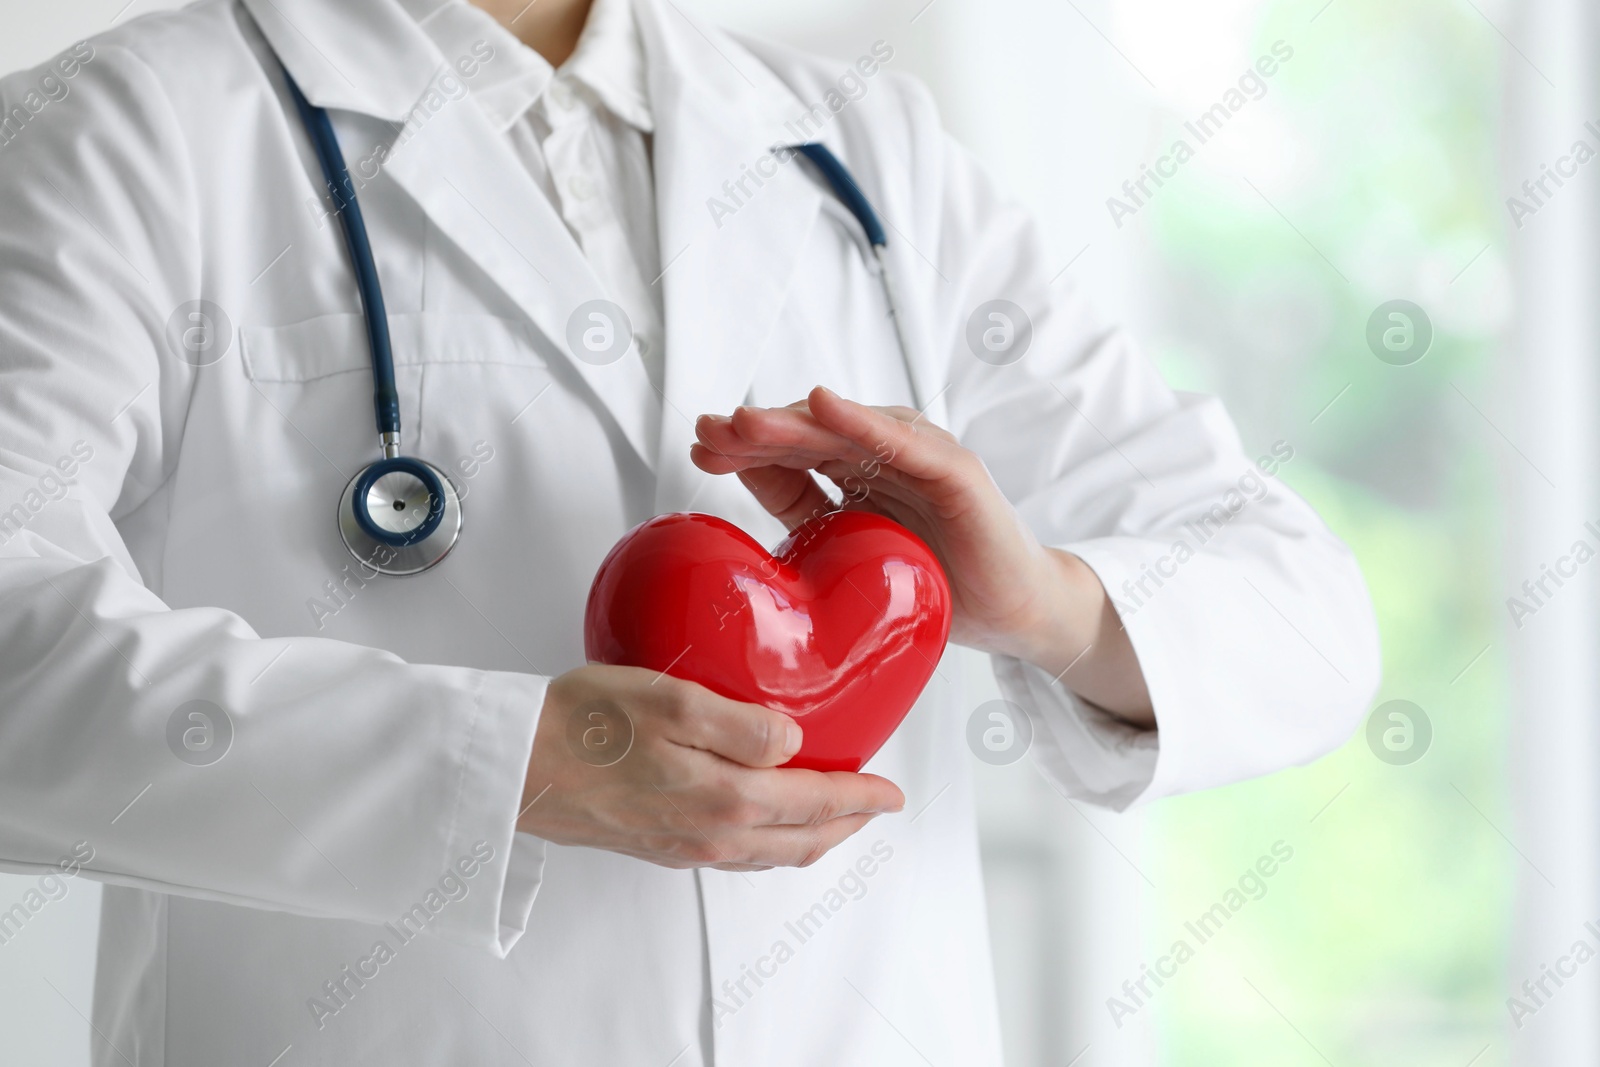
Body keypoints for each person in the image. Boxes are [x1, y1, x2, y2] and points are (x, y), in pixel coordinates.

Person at [0, 0, 1380, 1063]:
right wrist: (498, 768)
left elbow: (1303, 611)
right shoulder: (124, 135)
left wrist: (1046, 601)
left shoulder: (863, 153)